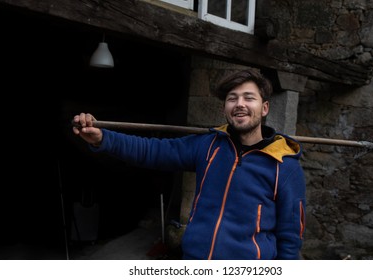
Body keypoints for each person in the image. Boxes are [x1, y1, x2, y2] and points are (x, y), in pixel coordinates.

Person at [72, 68, 306, 260]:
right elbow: (151, 151)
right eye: (232, 98)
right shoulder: (207, 146)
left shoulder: (283, 166)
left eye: (249, 97)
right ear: (225, 108)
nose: (239, 104)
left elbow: (290, 237)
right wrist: (104, 139)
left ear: (264, 108)